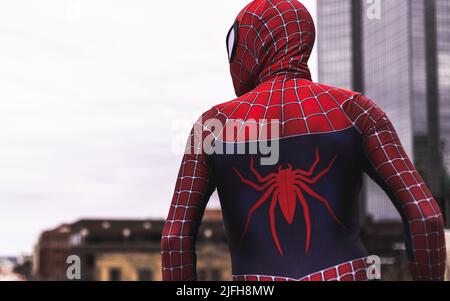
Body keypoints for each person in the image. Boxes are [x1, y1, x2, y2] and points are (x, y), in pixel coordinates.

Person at [161, 0, 446, 281]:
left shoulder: (213, 126)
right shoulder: (356, 110)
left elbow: (175, 239)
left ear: (252, 41)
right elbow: (426, 217)